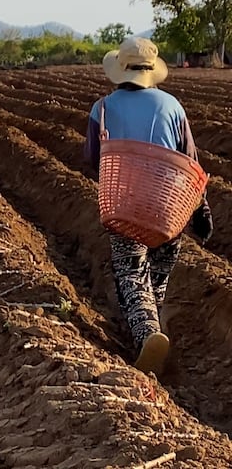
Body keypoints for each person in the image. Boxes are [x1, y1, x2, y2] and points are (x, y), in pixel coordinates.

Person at [84, 37, 213, 377]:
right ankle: (152, 331)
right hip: (171, 206)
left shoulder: (103, 108)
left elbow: (93, 159)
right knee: (158, 272)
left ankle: (146, 334)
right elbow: (191, 162)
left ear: (120, 69)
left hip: (125, 204)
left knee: (130, 272)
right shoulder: (173, 107)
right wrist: (201, 209)